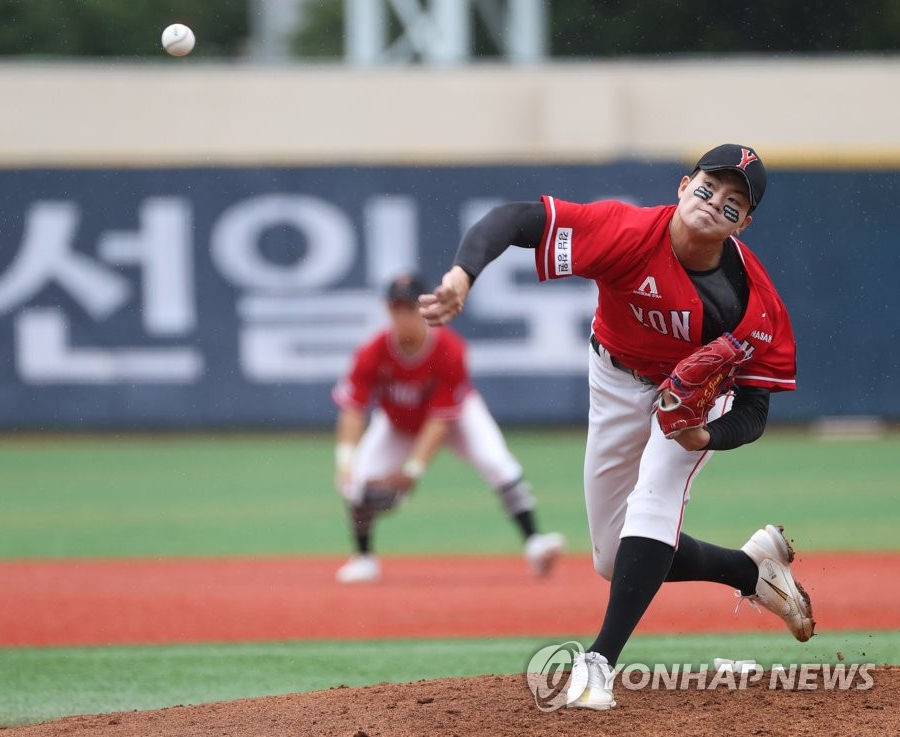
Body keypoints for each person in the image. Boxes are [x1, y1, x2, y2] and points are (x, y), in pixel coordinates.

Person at [419, 144, 814, 708]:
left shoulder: (755, 305)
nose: (714, 203)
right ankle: (750, 570)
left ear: (744, 224)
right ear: (683, 186)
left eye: (733, 203)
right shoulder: (625, 232)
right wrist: (463, 273)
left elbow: (755, 408)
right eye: (707, 188)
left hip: (693, 403)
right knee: (612, 557)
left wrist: (704, 436)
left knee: (654, 501)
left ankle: (597, 663)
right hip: (614, 379)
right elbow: (516, 219)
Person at [331, 273, 565, 584]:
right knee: (355, 482)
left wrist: (413, 470)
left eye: (409, 307)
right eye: (395, 307)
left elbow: (440, 420)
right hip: (398, 421)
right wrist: (345, 462)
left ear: (423, 308)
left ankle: (535, 543)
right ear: (387, 310)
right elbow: (353, 409)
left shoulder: (449, 349)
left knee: (497, 462)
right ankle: (364, 559)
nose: (402, 315)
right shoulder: (372, 351)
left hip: (458, 417)